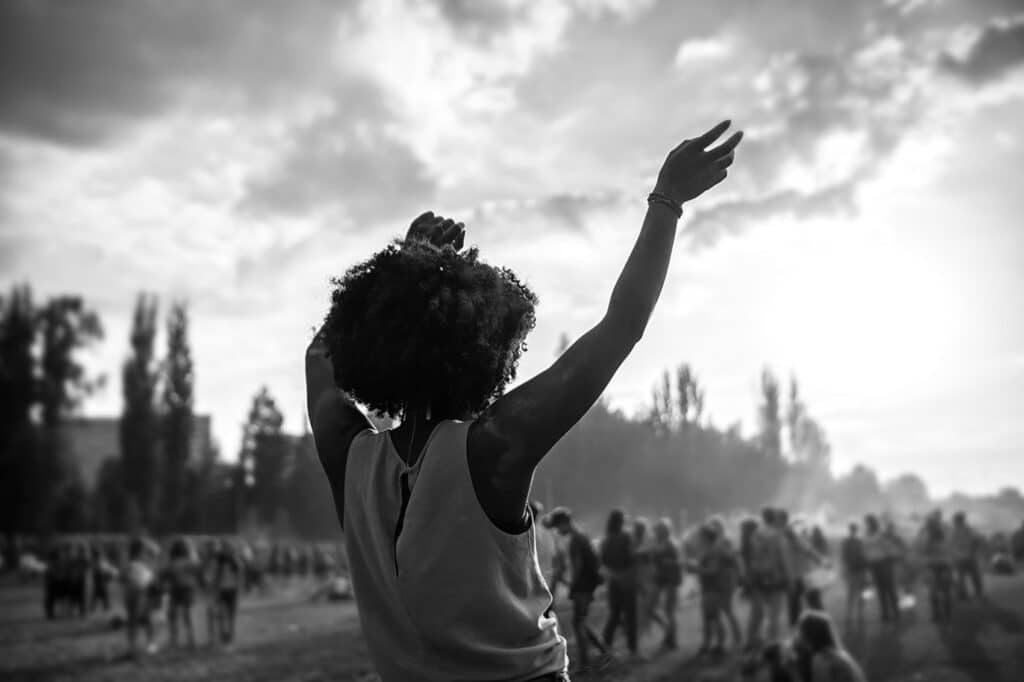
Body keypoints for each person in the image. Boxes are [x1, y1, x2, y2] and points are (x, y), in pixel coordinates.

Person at [306, 120, 741, 681]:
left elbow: (320, 361)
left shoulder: (351, 460)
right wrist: (667, 202)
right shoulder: (491, 450)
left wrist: (405, 265)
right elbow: (622, 328)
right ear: (486, 350)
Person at [548, 508, 607, 672]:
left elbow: (578, 565)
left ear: (565, 523)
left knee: (578, 622)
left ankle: (585, 663)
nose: (557, 530)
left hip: (583, 586)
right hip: (587, 584)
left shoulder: (576, 540)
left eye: (558, 526)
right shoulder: (581, 537)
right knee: (581, 621)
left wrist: (573, 584)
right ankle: (603, 650)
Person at [747, 508, 790, 648]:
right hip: (774, 577)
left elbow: (751, 557)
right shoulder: (777, 536)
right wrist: (788, 578)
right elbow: (783, 559)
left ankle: (751, 641)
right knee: (774, 614)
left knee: (756, 614)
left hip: (758, 577)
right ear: (774, 518)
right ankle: (772, 644)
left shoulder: (756, 534)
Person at [601, 508, 639, 657]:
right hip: (627, 579)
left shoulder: (607, 539)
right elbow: (632, 555)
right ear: (621, 521)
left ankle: (605, 643)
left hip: (613, 579)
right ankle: (632, 647)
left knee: (614, 614)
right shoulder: (626, 537)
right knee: (631, 615)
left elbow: (603, 559)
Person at [792, 611, 868, 682]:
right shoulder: (838, 655)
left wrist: (792, 671)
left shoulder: (822, 659)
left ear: (809, 635)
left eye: (800, 632)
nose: (797, 636)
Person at [707, 516, 743, 649]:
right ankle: (729, 638)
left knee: (725, 608)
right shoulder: (716, 542)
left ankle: (736, 637)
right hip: (719, 577)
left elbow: (732, 557)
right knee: (722, 608)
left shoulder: (724, 541)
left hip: (727, 577)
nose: (712, 529)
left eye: (715, 526)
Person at [651, 518, 683, 650]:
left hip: (671, 579)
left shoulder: (671, 544)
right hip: (660, 579)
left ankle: (672, 639)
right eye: (656, 530)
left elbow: (678, 563)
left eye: (659, 530)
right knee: (649, 608)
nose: (656, 532)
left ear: (664, 531)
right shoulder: (657, 543)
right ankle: (668, 632)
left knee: (669, 611)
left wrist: (668, 563)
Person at [123, 537, 158, 657]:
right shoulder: (133, 562)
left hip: (142, 591)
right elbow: (124, 576)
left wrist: (147, 543)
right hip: (136, 592)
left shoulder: (145, 560)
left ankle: (148, 644)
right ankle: (134, 646)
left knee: (145, 620)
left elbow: (156, 550)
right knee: (136, 620)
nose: (143, 551)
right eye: (142, 549)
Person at [916, 513, 953, 623]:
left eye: (931, 525)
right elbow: (922, 550)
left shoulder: (942, 535)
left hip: (942, 565)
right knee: (934, 591)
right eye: (930, 525)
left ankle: (944, 614)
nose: (930, 527)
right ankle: (939, 614)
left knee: (941, 591)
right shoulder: (928, 536)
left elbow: (925, 550)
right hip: (935, 566)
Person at [165, 537, 200, 648]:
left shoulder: (180, 560)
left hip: (182, 588)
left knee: (180, 615)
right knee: (181, 615)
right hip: (182, 588)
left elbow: (196, 570)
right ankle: (185, 640)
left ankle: (186, 640)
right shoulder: (186, 560)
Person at [863, 514, 898, 624]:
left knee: (889, 589)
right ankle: (885, 613)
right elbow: (865, 550)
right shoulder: (867, 535)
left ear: (872, 523)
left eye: (868, 522)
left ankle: (895, 612)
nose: (867, 524)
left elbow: (888, 547)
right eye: (867, 522)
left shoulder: (880, 534)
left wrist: (890, 556)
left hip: (883, 563)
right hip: (874, 565)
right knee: (881, 590)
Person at [949, 511, 985, 601]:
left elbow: (976, 541)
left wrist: (973, 551)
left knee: (968, 577)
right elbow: (977, 541)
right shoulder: (959, 531)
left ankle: (968, 594)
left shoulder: (962, 530)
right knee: (967, 578)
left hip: (965, 557)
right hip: (964, 557)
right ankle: (967, 594)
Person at [213, 540, 241, 647]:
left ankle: (230, 635)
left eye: (228, 548)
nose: (226, 550)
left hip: (232, 590)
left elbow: (239, 577)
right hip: (222, 590)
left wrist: (239, 589)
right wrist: (215, 590)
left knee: (231, 614)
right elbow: (215, 577)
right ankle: (222, 634)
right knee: (221, 614)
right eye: (224, 548)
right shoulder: (219, 562)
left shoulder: (235, 562)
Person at [839, 523, 868, 628]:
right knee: (858, 593)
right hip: (857, 570)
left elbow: (844, 557)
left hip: (853, 570)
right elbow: (863, 556)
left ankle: (850, 615)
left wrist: (845, 569)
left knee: (852, 594)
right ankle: (858, 614)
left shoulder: (847, 542)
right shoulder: (858, 542)